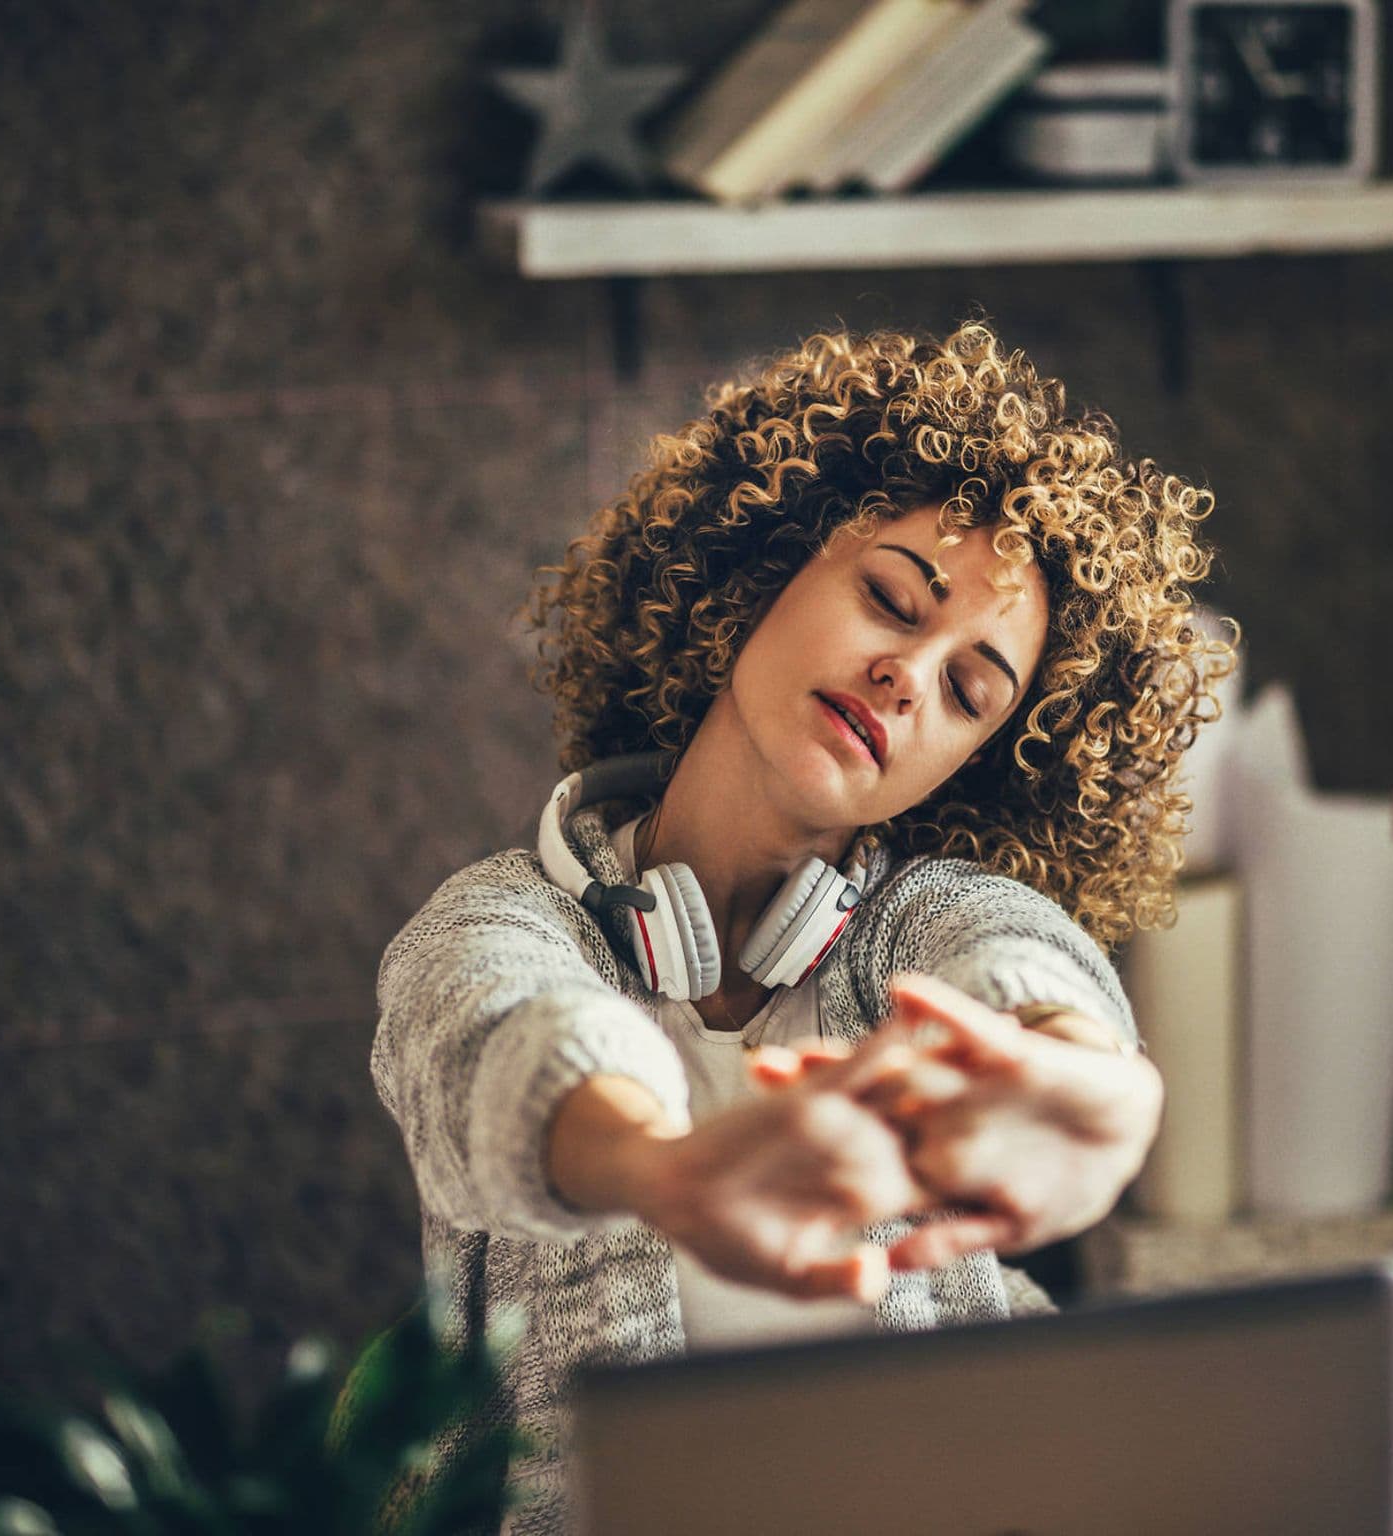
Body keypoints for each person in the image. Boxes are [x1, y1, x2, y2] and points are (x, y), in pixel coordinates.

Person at [371, 318, 1235, 1533]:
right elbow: (504, 1040)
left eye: (966, 690)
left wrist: (1103, 1092)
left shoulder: (915, 923)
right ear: (761, 567)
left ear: (968, 772)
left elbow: (1021, 968)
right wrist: (662, 1172)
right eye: (891, 599)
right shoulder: (497, 924)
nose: (905, 678)